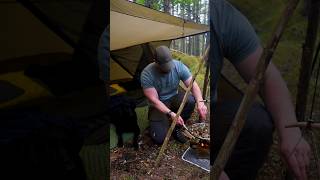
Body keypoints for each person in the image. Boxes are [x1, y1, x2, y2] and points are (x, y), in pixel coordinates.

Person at [210, 0, 311, 180]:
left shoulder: (219, 14)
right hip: (171, 119)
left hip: (206, 117)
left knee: (256, 122)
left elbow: (266, 77)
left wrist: (290, 130)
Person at [140, 45, 208, 144]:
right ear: (156, 61)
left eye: (168, 65)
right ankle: (165, 121)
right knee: (160, 139)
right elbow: (155, 101)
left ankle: (177, 127)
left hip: (174, 97)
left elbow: (193, 85)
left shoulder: (178, 66)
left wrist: (201, 102)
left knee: (190, 100)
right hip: (159, 104)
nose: (167, 69)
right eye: (164, 66)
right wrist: (170, 113)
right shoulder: (147, 74)